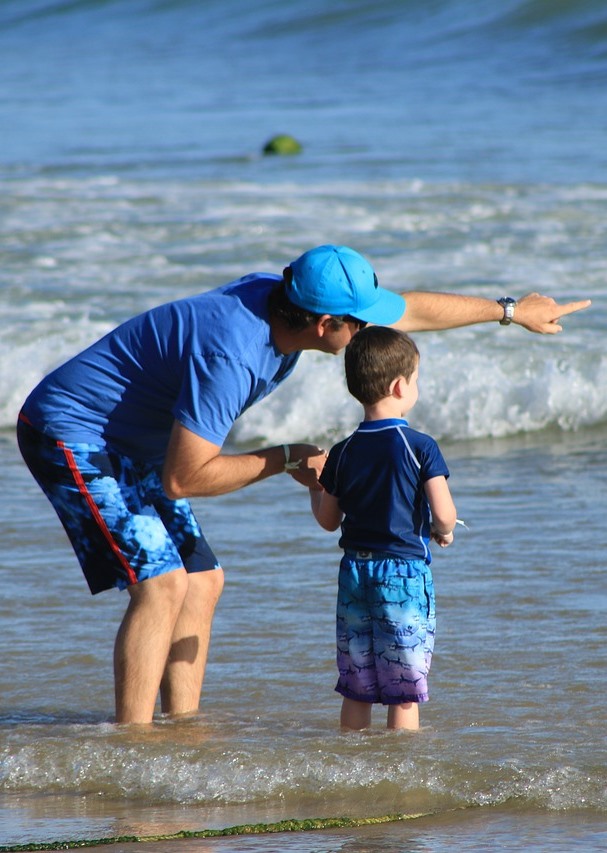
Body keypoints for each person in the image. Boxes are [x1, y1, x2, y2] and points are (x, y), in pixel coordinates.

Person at [16, 244, 589, 725]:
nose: (370, 330)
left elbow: (410, 309)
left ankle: (181, 732)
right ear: (324, 325)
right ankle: (135, 745)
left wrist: (509, 312)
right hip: (71, 433)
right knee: (162, 585)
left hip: (137, 439)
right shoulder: (232, 354)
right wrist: (286, 457)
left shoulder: (287, 297)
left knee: (204, 580)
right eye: (358, 323)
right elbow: (185, 477)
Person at [310, 326, 456, 731]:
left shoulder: (344, 450)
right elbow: (444, 514)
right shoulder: (420, 445)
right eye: (415, 380)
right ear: (398, 386)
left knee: (358, 684)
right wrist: (442, 531)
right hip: (402, 576)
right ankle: (398, 780)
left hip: (355, 573)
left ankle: (351, 766)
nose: (416, 388)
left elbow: (328, 520)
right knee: (403, 689)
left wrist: (313, 486)